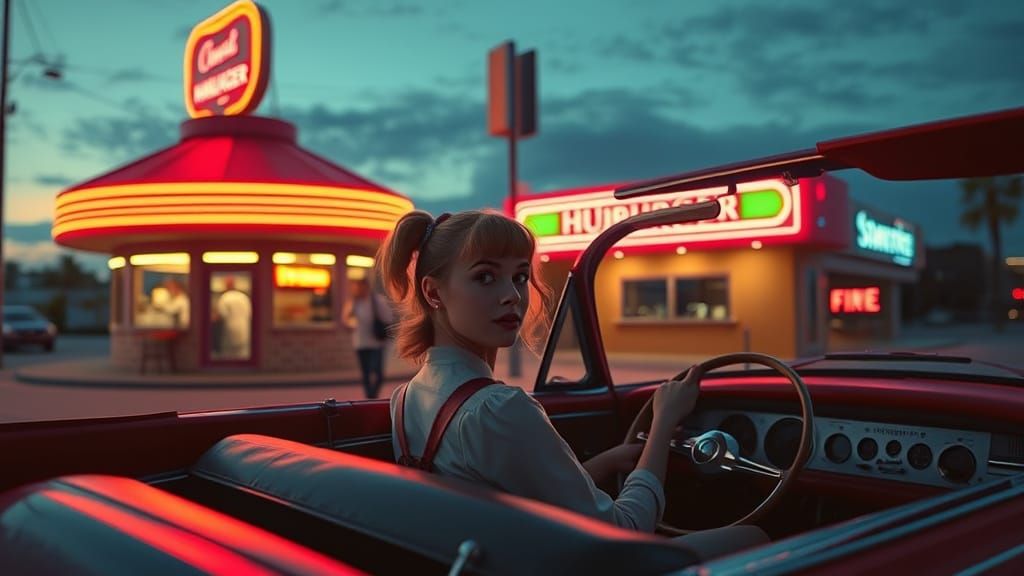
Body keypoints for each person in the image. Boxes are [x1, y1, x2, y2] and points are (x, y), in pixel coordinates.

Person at [377, 209, 768, 561]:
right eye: (485, 277)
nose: (511, 295)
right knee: (756, 536)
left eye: (519, 277)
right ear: (433, 292)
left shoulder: (405, 399)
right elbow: (625, 530)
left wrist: (603, 463)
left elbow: (506, 494)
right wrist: (663, 426)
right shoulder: (497, 409)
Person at [345, 276, 394, 399]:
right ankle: (369, 397)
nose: (358, 289)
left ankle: (372, 395)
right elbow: (345, 319)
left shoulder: (377, 301)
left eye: (360, 286)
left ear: (366, 287)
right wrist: (351, 322)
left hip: (376, 343)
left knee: (377, 373)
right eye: (356, 287)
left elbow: (388, 318)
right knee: (365, 373)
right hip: (360, 343)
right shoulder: (353, 302)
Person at [215, 276, 252, 359]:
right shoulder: (243, 297)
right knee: (243, 354)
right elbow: (250, 314)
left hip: (230, 328)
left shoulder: (225, 297)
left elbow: (222, 315)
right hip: (244, 328)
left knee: (228, 355)